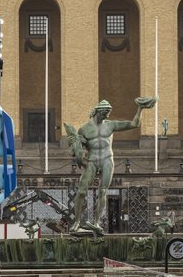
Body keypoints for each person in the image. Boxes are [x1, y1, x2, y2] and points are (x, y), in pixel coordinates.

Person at [66, 96, 156, 232]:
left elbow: (134, 124)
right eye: (104, 113)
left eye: (108, 113)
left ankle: (96, 223)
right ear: (98, 111)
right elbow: (76, 152)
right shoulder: (84, 129)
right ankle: (77, 222)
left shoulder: (111, 125)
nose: (106, 116)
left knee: (102, 191)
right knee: (81, 191)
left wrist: (140, 108)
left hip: (107, 159)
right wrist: (75, 144)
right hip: (92, 160)